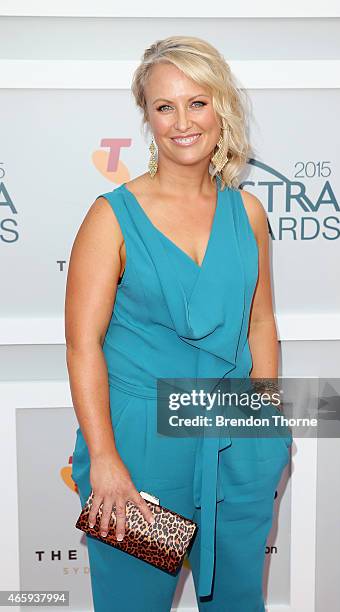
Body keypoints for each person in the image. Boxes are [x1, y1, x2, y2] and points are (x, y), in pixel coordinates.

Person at [66, 35, 292, 612]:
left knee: (237, 604)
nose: (183, 121)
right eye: (165, 106)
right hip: (141, 450)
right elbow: (83, 345)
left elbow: (261, 322)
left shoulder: (247, 212)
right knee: (133, 604)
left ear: (222, 108)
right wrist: (108, 461)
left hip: (235, 442)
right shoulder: (112, 216)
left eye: (198, 102)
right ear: (148, 117)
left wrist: (264, 418)